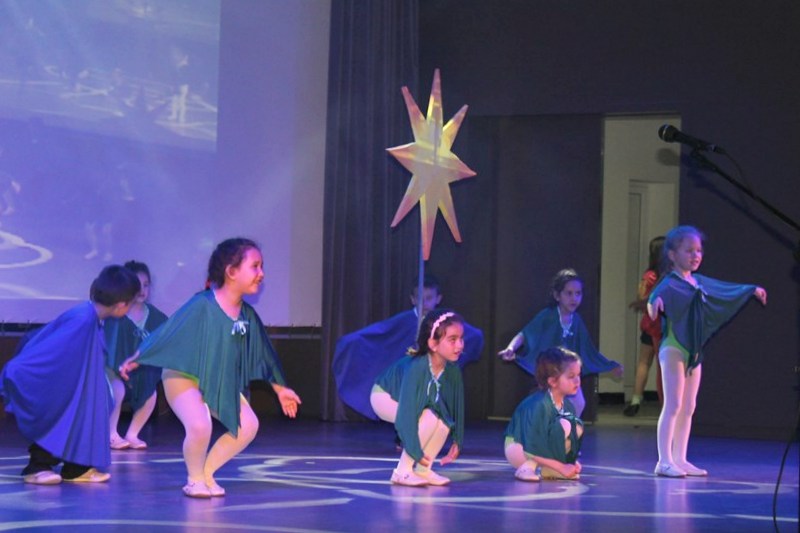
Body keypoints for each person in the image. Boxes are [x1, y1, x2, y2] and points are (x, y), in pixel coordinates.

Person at [119, 238, 302, 498]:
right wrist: (138, 357)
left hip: (216, 378)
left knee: (248, 425)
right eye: (255, 266)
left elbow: (263, 354)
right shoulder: (202, 305)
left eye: (262, 266)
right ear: (231, 271)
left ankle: (206, 473)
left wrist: (280, 389)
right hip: (182, 375)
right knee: (199, 424)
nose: (261, 273)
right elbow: (168, 333)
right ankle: (194, 479)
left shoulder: (246, 316)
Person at [0, 265, 140, 485]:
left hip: (74, 383)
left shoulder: (91, 317)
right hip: (58, 382)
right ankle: (37, 466)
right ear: (122, 304)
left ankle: (76, 467)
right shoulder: (82, 319)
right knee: (60, 412)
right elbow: (51, 350)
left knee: (84, 410)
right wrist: (17, 370)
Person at [648, 225, 766, 477]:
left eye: (699, 250)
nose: (696, 255)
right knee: (673, 404)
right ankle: (664, 460)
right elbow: (655, 297)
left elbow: (725, 290)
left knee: (689, 406)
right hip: (674, 348)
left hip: (694, 352)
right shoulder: (670, 282)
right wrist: (654, 304)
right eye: (689, 250)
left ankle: (680, 458)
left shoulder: (698, 282)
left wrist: (750, 290)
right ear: (672, 255)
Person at [333, 274, 483, 420]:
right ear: (413, 299)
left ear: (438, 299)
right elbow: (380, 331)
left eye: (429, 298)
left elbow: (471, 335)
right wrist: (350, 341)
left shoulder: (446, 322)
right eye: (420, 298)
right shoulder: (405, 320)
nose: (424, 303)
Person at [498, 268, 623, 417]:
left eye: (578, 293)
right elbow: (525, 334)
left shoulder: (577, 321)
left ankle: (563, 430)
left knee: (578, 403)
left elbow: (588, 351)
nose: (574, 298)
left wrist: (609, 366)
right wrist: (511, 348)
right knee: (548, 407)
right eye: (569, 293)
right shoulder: (547, 316)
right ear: (557, 295)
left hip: (567, 372)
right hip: (550, 373)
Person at [369, 309, 465, 487]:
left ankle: (423, 470)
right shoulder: (418, 368)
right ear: (433, 344)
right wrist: (415, 450)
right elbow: (407, 415)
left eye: (461, 338)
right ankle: (402, 472)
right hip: (384, 396)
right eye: (452, 340)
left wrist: (457, 440)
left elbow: (456, 406)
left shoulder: (452, 369)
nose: (460, 345)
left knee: (443, 422)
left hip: (411, 402)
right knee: (428, 417)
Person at [105, 260, 168, 450]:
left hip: (142, 373)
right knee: (117, 389)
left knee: (151, 394)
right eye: (137, 284)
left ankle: (132, 434)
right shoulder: (115, 314)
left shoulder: (157, 317)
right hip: (114, 371)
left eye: (146, 285)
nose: (142, 290)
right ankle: (111, 434)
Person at [504, 346, 584, 481]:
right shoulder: (538, 405)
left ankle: (550, 469)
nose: (577, 381)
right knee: (563, 425)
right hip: (519, 448)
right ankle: (527, 467)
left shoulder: (568, 405)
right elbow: (531, 445)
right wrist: (561, 467)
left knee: (575, 426)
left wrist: (569, 461)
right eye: (571, 376)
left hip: (536, 449)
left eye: (578, 375)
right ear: (552, 381)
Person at [624, 236, 666, 416]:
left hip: (648, 324)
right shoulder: (666, 277)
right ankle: (665, 403)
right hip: (661, 325)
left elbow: (640, 296)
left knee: (644, 362)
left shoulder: (648, 276)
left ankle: (635, 399)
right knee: (663, 366)